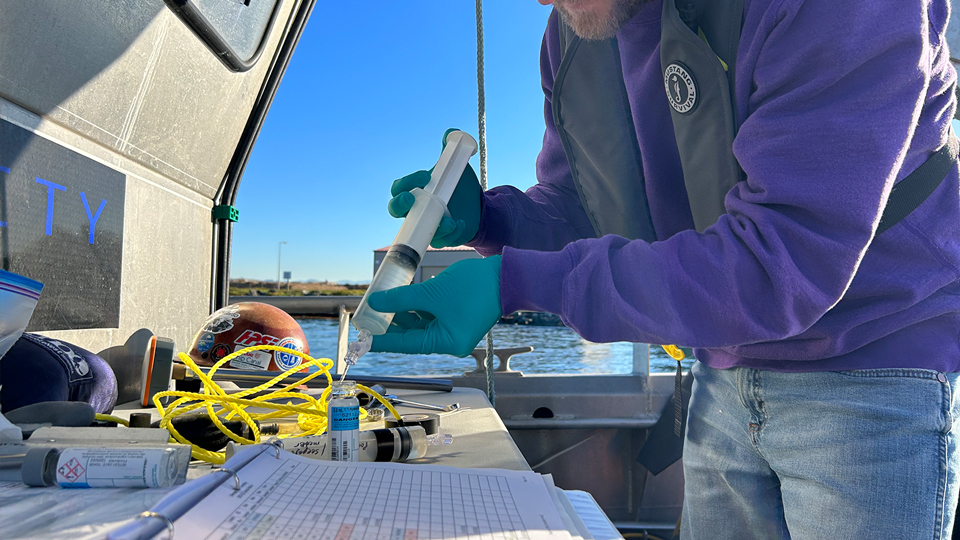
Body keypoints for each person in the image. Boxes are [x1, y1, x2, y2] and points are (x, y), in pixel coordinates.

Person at [367, 0, 960, 537]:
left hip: (875, 369)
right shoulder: (574, 30)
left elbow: (779, 261)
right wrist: (490, 223)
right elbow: (586, 212)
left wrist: (519, 281)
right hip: (721, 378)